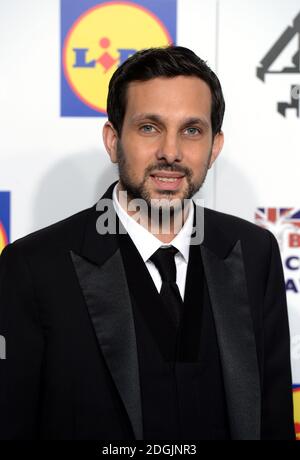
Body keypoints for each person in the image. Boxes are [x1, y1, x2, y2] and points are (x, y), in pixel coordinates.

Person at [0, 46, 295, 440]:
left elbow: (271, 419)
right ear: (112, 140)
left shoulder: (254, 252)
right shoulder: (34, 267)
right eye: (149, 127)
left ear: (215, 147)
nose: (170, 152)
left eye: (192, 130)